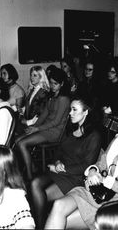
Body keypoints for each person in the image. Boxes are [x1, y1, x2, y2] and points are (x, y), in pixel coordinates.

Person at [45, 97, 118, 230]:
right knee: (58, 205)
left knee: (63, 220)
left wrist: (104, 180)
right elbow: (102, 162)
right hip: (98, 193)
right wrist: (93, 171)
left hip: (116, 203)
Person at [30, 95, 102, 228]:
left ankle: (41, 225)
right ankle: (40, 224)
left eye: (74, 110)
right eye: (70, 109)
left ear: (86, 111)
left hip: (75, 178)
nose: (70, 113)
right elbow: (59, 151)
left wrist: (60, 169)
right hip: (60, 171)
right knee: (34, 185)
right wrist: (57, 162)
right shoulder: (71, 129)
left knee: (38, 196)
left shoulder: (94, 135)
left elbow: (86, 165)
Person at [15, 68, 70, 181]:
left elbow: (56, 122)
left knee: (22, 144)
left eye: (56, 83)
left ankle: (30, 176)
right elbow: (43, 115)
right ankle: (33, 167)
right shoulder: (52, 96)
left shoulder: (63, 99)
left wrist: (37, 128)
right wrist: (33, 127)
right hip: (45, 128)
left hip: (55, 132)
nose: (52, 85)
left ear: (62, 84)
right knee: (17, 140)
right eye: (51, 83)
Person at [15, 66, 49, 135]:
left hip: (36, 125)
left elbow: (41, 113)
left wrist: (28, 122)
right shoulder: (31, 90)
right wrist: (22, 110)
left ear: (41, 77)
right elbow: (29, 106)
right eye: (31, 75)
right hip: (27, 121)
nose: (31, 78)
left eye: (35, 75)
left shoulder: (44, 93)